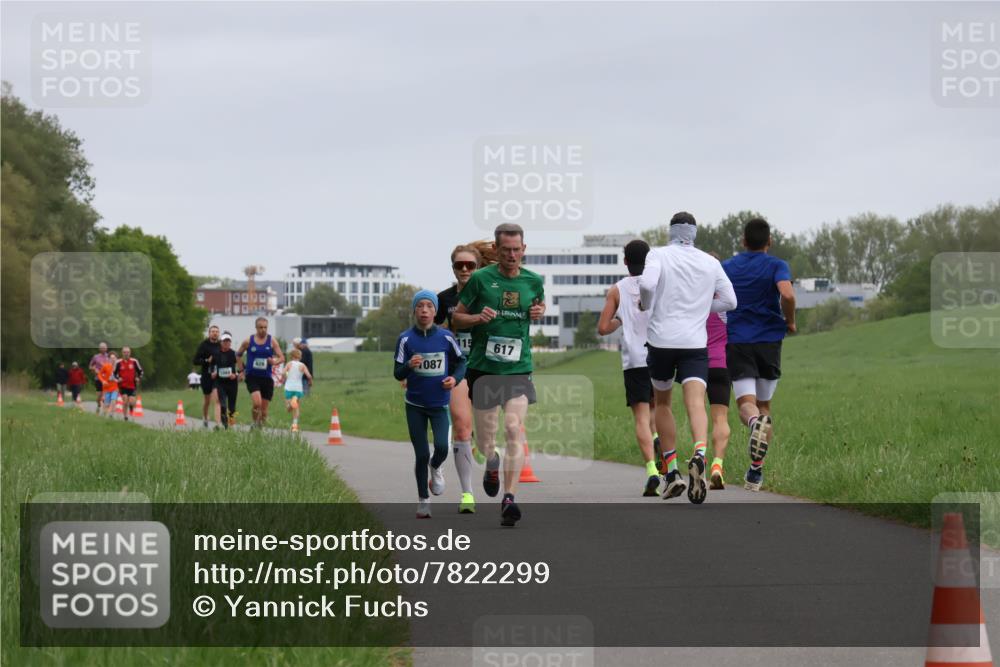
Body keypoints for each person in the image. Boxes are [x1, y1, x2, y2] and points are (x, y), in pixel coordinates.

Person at [639, 212, 737, 504]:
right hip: (695, 341)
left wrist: (648, 305)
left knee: (664, 403)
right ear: (694, 233)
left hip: (661, 340)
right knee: (695, 402)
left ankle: (672, 473)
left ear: (670, 231)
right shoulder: (710, 262)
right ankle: (700, 454)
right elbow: (731, 301)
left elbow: (646, 285)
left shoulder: (657, 254)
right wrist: (703, 307)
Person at [452, 223, 545, 527]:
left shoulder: (533, 281)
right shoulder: (480, 280)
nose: (511, 255)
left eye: (517, 250)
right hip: (484, 369)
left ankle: (509, 499)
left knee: (514, 428)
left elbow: (536, 307)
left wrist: (538, 312)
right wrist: (477, 317)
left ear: (524, 250)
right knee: (487, 440)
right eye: (505, 250)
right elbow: (457, 318)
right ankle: (491, 461)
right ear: (497, 249)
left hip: (519, 368)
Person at [722, 217, 796, 492]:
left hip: (738, 340)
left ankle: (754, 424)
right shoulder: (777, 265)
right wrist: (790, 321)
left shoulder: (727, 266)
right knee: (765, 406)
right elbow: (787, 295)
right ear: (769, 242)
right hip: (769, 342)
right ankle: (756, 471)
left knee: (746, 405)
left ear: (743, 241)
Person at [597, 239, 663, 497]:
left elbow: (603, 328)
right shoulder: (658, 284)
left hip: (634, 358)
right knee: (659, 408)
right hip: (659, 353)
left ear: (625, 261)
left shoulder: (617, 290)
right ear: (649, 261)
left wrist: (620, 320)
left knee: (641, 417)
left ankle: (651, 471)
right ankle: (659, 443)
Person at [394, 290, 466, 518]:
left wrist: (454, 379)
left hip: (439, 404)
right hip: (414, 404)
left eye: (429, 306)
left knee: (442, 448)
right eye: (420, 306)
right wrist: (408, 366)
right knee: (422, 454)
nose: (424, 310)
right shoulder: (405, 339)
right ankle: (423, 500)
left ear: (435, 311)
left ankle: (436, 468)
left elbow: (461, 362)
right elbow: (397, 373)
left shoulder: (446, 337)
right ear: (415, 310)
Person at [435, 242, 495, 514]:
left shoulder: (490, 296)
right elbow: (431, 336)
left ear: (479, 267)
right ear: (453, 268)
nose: (464, 269)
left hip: (484, 366)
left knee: (484, 438)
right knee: (461, 427)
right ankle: (467, 494)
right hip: (457, 369)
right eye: (459, 265)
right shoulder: (443, 300)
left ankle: (491, 460)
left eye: (470, 265)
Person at [237, 317, 285, 428]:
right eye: (260, 327)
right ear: (256, 328)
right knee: (257, 403)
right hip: (252, 376)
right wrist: (241, 371)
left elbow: (281, 357)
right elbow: (238, 355)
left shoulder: (272, 340)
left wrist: (274, 361)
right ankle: (254, 423)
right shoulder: (248, 341)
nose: (263, 330)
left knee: (263, 411)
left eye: (265, 327)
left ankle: (260, 429)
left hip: (266, 378)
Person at [706, 310, 731, 489]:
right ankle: (717, 465)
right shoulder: (728, 301)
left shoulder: (695, 295)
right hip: (721, 362)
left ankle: (699, 460)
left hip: (696, 364)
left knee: (696, 415)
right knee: (720, 418)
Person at [193, 325, 222, 427]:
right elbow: (195, 361)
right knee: (207, 400)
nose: (215, 333)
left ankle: (218, 424)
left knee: (217, 399)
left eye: (217, 332)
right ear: (209, 333)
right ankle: (205, 417)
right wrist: (206, 361)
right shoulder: (204, 345)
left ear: (219, 334)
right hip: (206, 375)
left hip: (217, 376)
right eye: (213, 331)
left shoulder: (221, 345)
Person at [212, 332, 240, 429]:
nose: (226, 343)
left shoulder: (234, 354)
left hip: (232, 383)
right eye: (224, 341)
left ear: (230, 343)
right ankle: (225, 425)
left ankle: (232, 425)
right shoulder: (216, 354)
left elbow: (241, 368)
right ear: (221, 342)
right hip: (220, 383)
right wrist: (213, 373)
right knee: (223, 404)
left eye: (228, 341)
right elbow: (211, 368)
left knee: (232, 406)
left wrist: (235, 374)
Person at [282, 348, 313, 432]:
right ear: (300, 356)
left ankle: (290, 405)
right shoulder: (302, 365)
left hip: (289, 387)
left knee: (288, 409)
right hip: (298, 388)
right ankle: (295, 426)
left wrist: (284, 378)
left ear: (291, 356)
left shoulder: (289, 364)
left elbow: (283, 373)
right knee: (296, 408)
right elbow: (309, 376)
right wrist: (310, 382)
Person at [113, 346, 144, 421]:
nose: (126, 354)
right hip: (122, 385)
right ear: (122, 353)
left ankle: (131, 408)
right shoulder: (118, 362)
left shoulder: (134, 361)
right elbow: (113, 374)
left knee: (132, 401)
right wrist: (117, 379)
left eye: (127, 352)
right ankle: (125, 417)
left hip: (132, 385)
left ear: (130, 353)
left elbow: (141, 371)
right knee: (125, 401)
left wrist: (138, 378)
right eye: (124, 352)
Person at [88, 342, 110, 414]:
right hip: (98, 378)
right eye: (102, 347)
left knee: (105, 395)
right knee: (99, 396)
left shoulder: (109, 356)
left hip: (107, 379)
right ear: (99, 349)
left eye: (104, 347)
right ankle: (98, 404)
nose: (103, 349)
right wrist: (94, 369)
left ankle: (105, 410)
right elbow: (90, 366)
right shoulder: (96, 357)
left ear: (107, 348)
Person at [98, 352, 119, 417]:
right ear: (109, 359)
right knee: (106, 404)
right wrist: (103, 381)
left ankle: (111, 414)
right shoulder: (106, 366)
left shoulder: (119, 367)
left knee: (113, 400)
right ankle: (103, 415)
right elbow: (99, 374)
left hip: (115, 387)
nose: (113, 359)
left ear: (116, 358)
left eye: (114, 358)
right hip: (107, 387)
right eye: (111, 358)